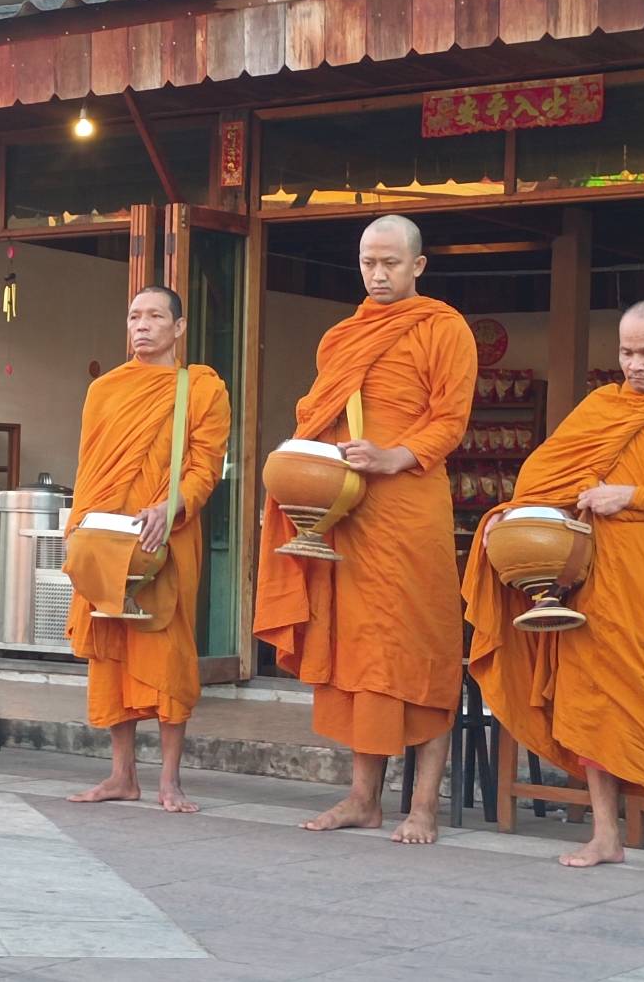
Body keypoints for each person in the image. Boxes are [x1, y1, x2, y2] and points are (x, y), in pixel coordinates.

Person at [464, 301, 644, 879]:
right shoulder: (600, 407)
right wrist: (510, 521)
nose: (635, 365)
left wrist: (630, 496)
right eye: (626, 353)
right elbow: (542, 480)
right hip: (587, 578)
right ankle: (605, 834)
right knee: (587, 701)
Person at [255, 214, 476, 843]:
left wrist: (392, 455)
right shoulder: (339, 338)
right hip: (348, 512)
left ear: (418, 267)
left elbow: (450, 419)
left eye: (391, 264)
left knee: (421, 651)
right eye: (368, 263)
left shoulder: (444, 327)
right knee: (360, 654)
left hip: (409, 506)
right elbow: (318, 415)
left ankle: (425, 804)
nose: (378, 275)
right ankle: (362, 797)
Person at [63, 286, 231, 813]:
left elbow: (207, 465)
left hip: (167, 535)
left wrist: (170, 506)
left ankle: (170, 780)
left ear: (178, 328)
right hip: (107, 535)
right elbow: (88, 466)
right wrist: (81, 529)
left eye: (155, 316)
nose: (142, 325)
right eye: (134, 316)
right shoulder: (105, 390)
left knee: (168, 654)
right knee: (110, 651)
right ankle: (121, 775)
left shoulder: (202, 389)